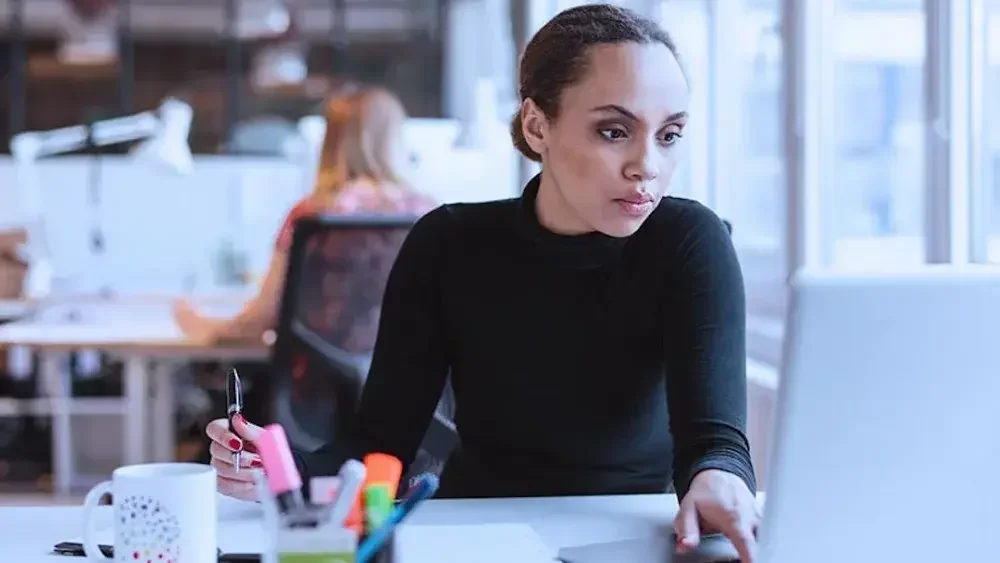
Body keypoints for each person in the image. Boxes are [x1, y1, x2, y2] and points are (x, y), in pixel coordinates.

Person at [206, 5, 760, 561]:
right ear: (537, 124)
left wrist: (719, 478)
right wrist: (276, 469)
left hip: (632, 534)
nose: (648, 165)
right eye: (614, 131)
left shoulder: (689, 241)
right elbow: (381, 443)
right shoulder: (449, 244)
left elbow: (716, 444)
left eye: (669, 134)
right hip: (479, 531)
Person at [173, 87, 437, 343]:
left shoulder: (313, 214)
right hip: (409, 385)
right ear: (395, 140)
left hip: (319, 383)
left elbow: (259, 321)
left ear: (331, 143)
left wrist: (199, 324)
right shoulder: (429, 216)